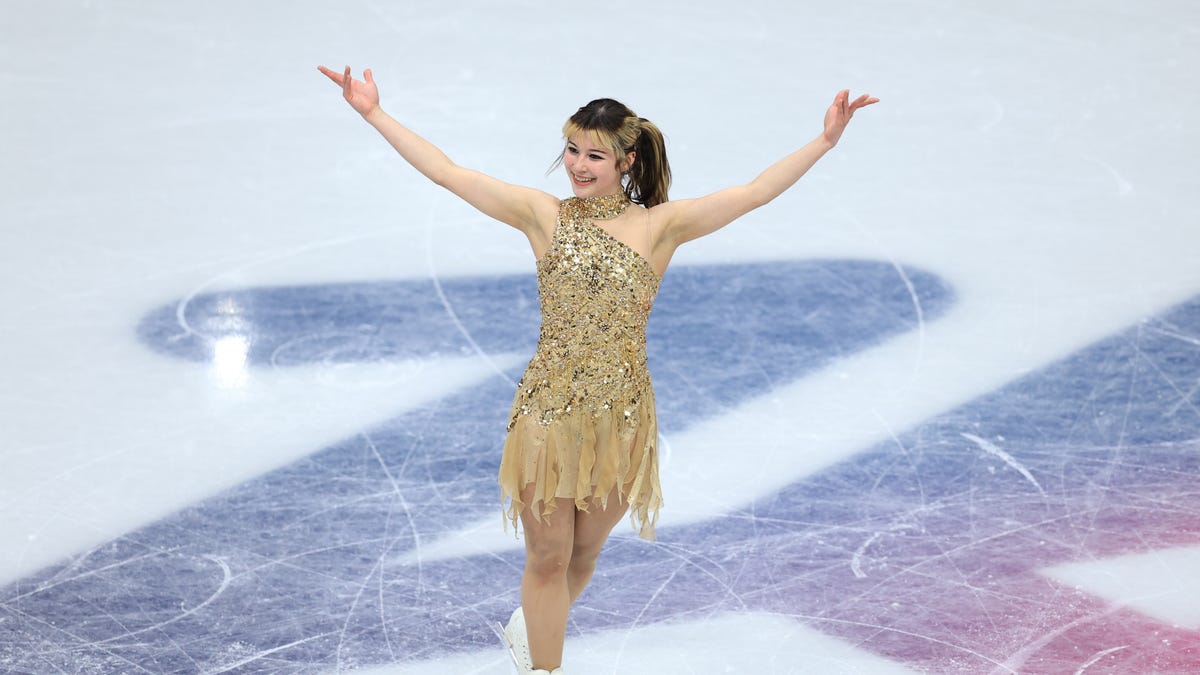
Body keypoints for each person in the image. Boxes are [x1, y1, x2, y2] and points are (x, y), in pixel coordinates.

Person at [318, 64, 876, 675]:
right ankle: (545, 669)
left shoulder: (659, 228)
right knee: (548, 557)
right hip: (547, 412)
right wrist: (373, 113)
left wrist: (824, 141)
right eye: (573, 150)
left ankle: (532, 628)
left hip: (623, 416)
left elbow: (755, 191)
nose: (579, 166)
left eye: (596, 156)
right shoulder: (543, 215)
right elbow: (450, 172)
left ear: (627, 161)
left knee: (583, 553)